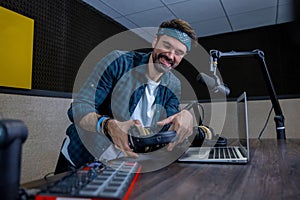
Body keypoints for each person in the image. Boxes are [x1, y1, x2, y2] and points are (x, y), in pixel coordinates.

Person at [55, 19, 198, 174]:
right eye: (167, 46)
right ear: (155, 41)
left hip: (125, 166)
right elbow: (79, 108)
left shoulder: (174, 85)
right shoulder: (118, 62)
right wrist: (107, 125)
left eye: (179, 53)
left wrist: (185, 117)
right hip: (83, 159)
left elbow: (166, 129)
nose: (171, 56)